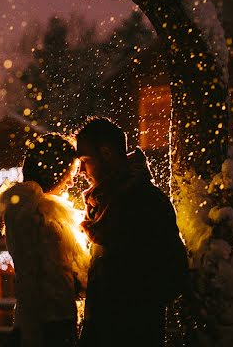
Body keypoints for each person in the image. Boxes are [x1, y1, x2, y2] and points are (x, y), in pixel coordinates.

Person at [76, 117, 189, 347]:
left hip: (135, 334)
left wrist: (131, 299)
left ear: (106, 154)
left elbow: (175, 275)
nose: (80, 171)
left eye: (85, 160)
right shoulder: (101, 209)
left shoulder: (147, 202)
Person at [0, 133, 89, 347]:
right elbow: (33, 276)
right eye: (70, 172)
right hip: (45, 324)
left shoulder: (41, 209)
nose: (72, 180)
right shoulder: (30, 211)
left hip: (52, 319)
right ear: (55, 171)